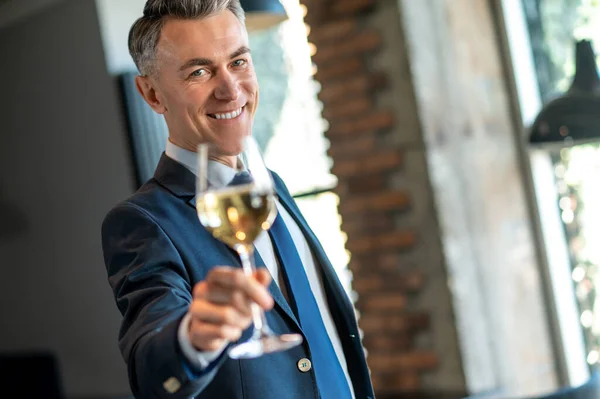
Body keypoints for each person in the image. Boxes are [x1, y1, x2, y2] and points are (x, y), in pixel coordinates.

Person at [101, 1, 374, 398]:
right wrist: (193, 337)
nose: (230, 89)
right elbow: (152, 368)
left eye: (239, 62)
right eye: (199, 71)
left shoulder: (270, 186)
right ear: (152, 94)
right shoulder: (142, 222)